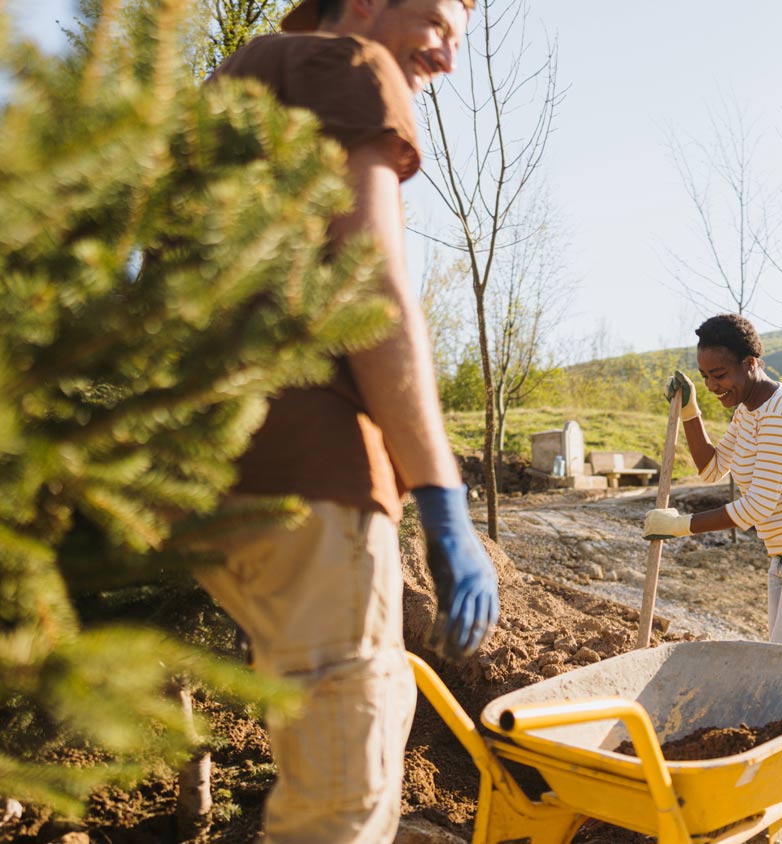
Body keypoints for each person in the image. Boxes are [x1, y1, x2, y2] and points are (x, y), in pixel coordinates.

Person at [196, 2, 499, 843]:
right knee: (344, 795)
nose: (447, 54)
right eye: (437, 19)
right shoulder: (349, 65)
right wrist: (443, 499)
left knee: (378, 695)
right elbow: (373, 290)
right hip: (313, 470)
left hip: (225, 467)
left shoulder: (245, 74)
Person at [641, 314, 782, 844]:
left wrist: (682, 526)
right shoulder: (749, 410)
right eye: (707, 376)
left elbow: (757, 504)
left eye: (721, 374)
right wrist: (694, 411)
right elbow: (711, 468)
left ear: (751, 362)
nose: (717, 385)